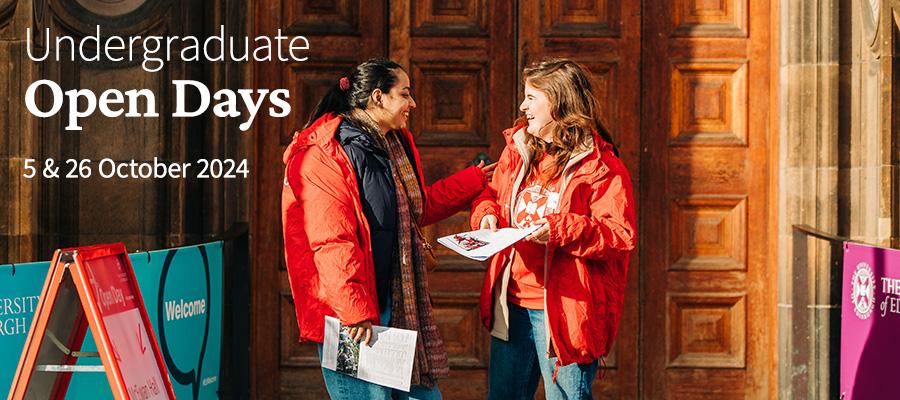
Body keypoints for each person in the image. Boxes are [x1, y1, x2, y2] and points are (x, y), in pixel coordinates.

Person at [280, 58, 494, 400]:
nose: (412, 103)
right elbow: (332, 238)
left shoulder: (392, 144)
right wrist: (354, 312)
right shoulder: (325, 153)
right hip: (348, 317)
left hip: (393, 304)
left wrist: (473, 181)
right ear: (378, 98)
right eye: (405, 94)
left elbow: (411, 210)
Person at [470, 58, 636, 400]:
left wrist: (559, 229)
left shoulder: (603, 168)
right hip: (513, 306)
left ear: (558, 102)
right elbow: (491, 193)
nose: (522, 106)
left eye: (531, 97)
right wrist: (486, 214)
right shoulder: (518, 151)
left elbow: (619, 235)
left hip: (565, 313)